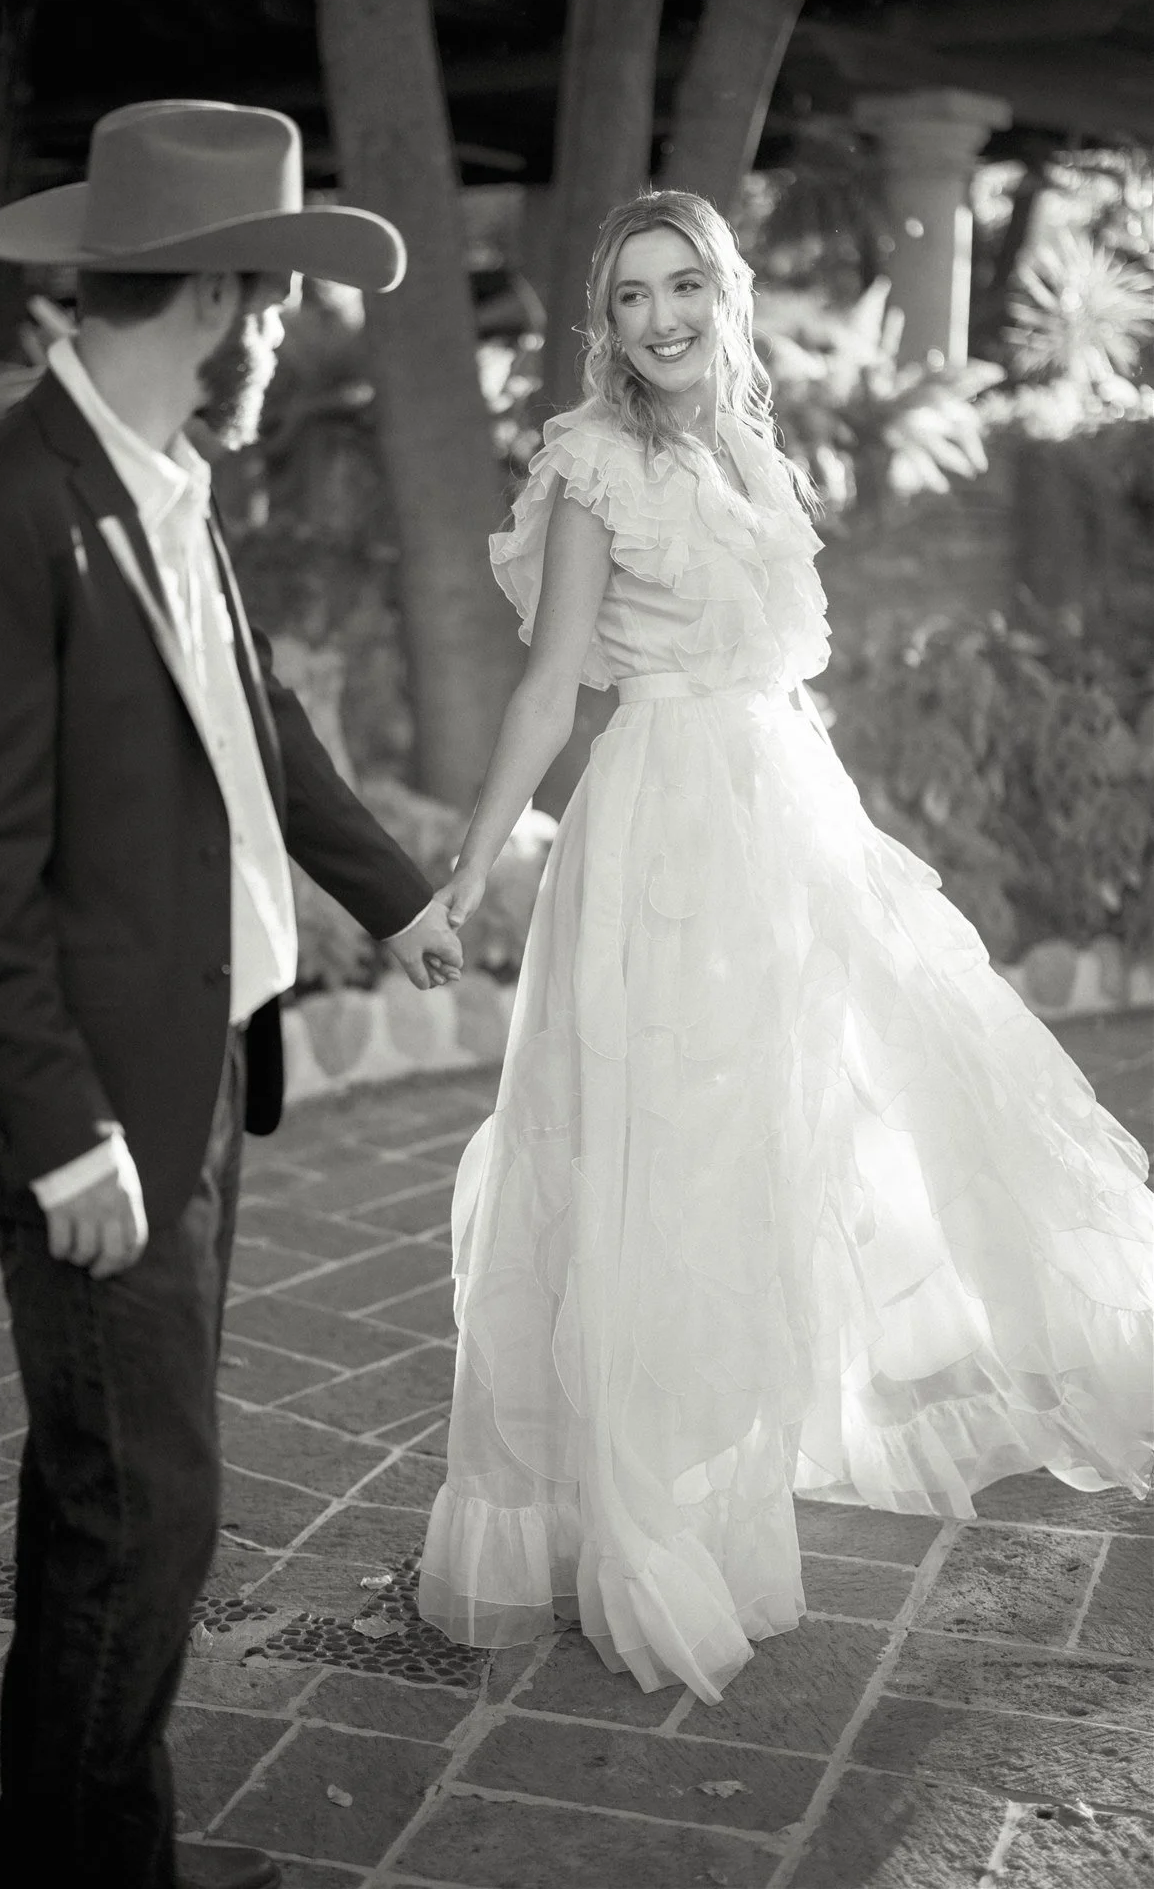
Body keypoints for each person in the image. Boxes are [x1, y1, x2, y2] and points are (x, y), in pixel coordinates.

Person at [416, 188, 1153, 1703]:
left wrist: (841, 851)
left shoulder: (753, 454)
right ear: (602, 325)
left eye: (685, 284)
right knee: (661, 1161)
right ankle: (661, 1514)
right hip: (661, 833)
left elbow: (778, 676)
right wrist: (469, 867)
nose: (662, 319)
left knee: (809, 1130)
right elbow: (552, 687)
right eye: (631, 298)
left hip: (783, 822)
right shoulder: (589, 466)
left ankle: (759, 1434)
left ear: (727, 293)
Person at [0, 101, 464, 1889]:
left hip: (199, 1065)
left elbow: (256, 729)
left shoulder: (165, 485)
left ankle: (78, 1851)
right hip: (93, 1112)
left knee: (107, 1504)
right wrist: (66, 1145)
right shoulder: (8, 513)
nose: (287, 328)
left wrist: (399, 894)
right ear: (220, 296)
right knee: (150, 1517)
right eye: (278, 293)